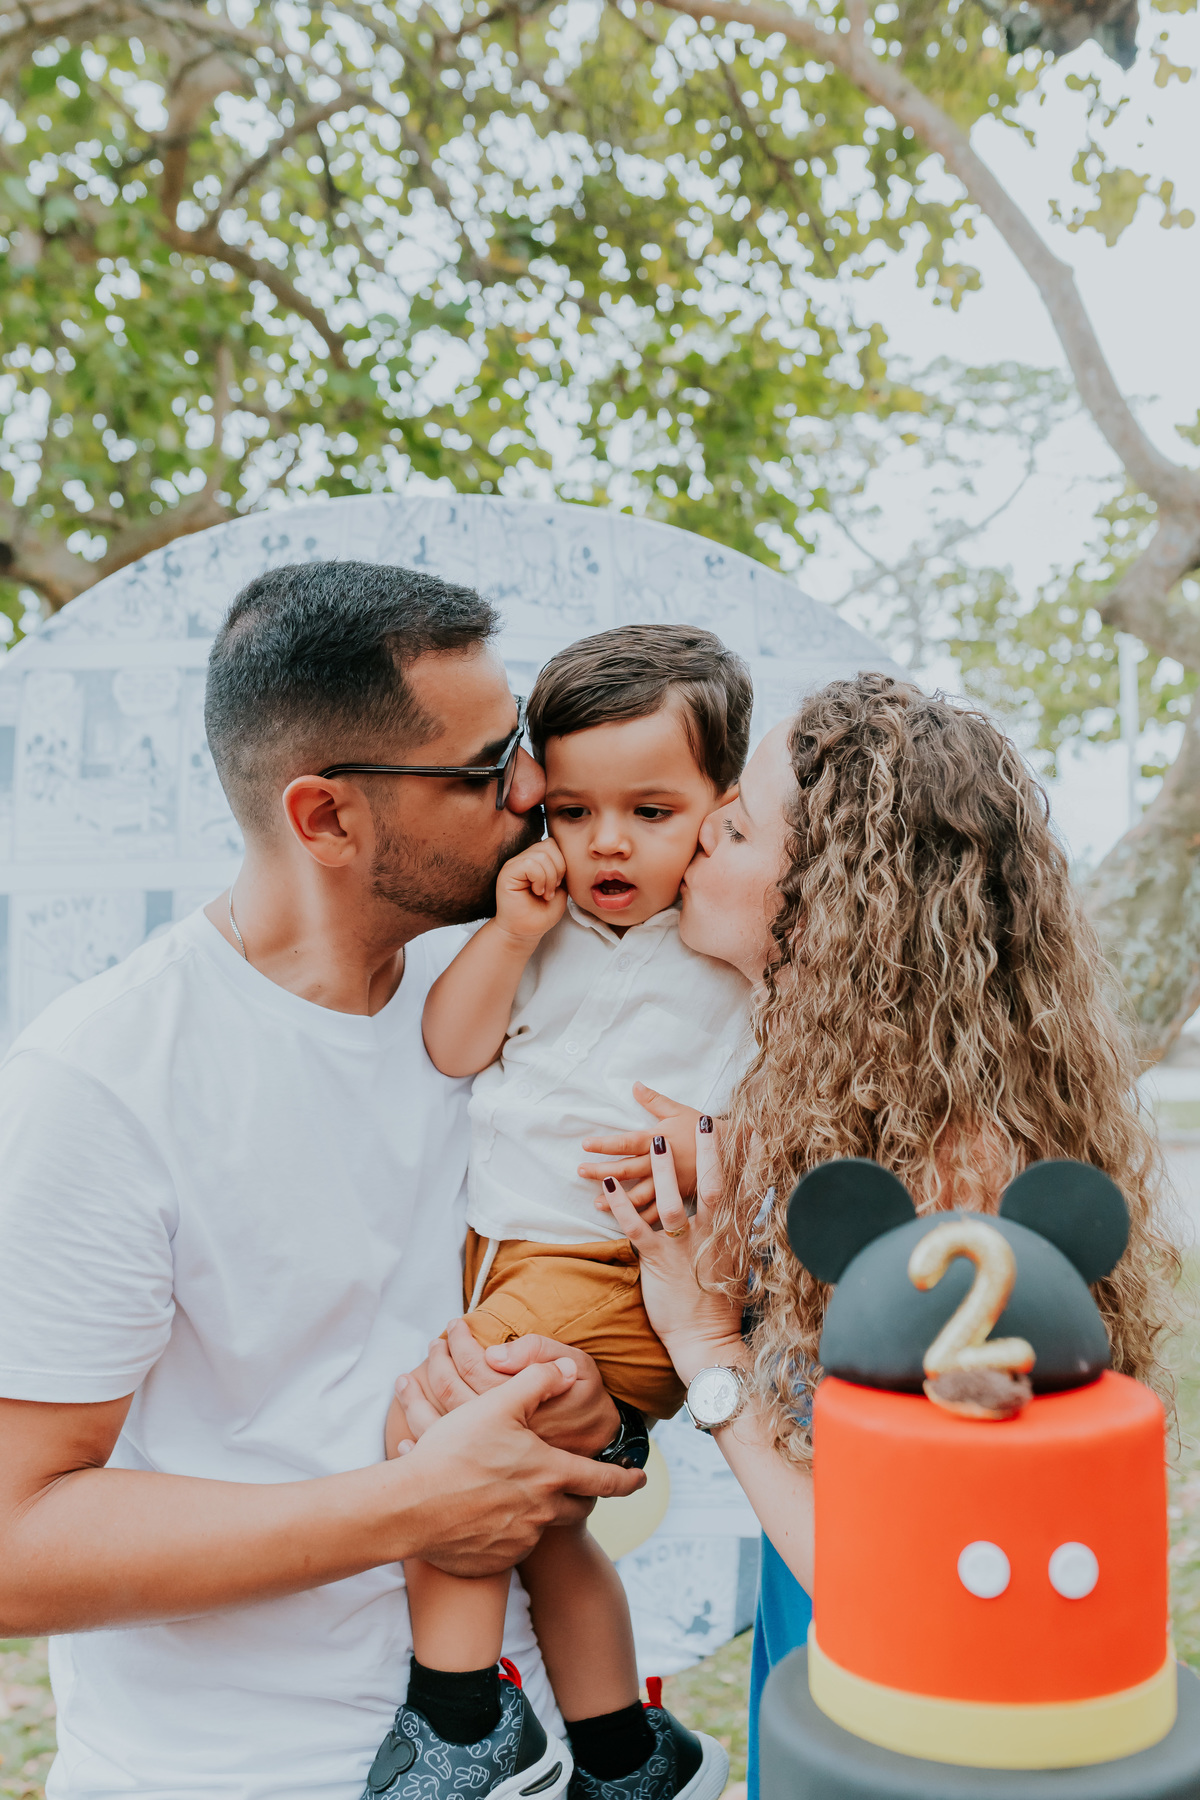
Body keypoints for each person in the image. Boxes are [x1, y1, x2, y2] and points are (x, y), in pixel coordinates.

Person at [0, 562, 646, 1800]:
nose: (533, 790)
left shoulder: (524, 994)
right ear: (326, 819)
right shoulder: (104, 1081)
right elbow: (14, 1545)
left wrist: (571, 1395)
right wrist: (415, 1505)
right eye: (481, 770)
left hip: (533, 1756)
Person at [591, 672, 1179, 1800]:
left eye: (739, 827)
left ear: (833, 900)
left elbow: (898, 1583)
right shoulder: (854, 1112)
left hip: (910, 1711)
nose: (702, 838)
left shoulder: (962, 1191)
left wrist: (706, 1342)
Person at [381, 625, 753, 1800]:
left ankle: (456, 1720)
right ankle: (623, 1748)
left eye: (652, 811)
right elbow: (452, 1045)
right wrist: (512, 933)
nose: (608, 841)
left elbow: (789, 1122)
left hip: (616, 1267)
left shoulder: (730, 956)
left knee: (445, 1454)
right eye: (576, 809)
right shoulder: (540, 928)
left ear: (720, 808)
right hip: (504, 1259)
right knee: (546, 1531)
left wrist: (715, 1154)